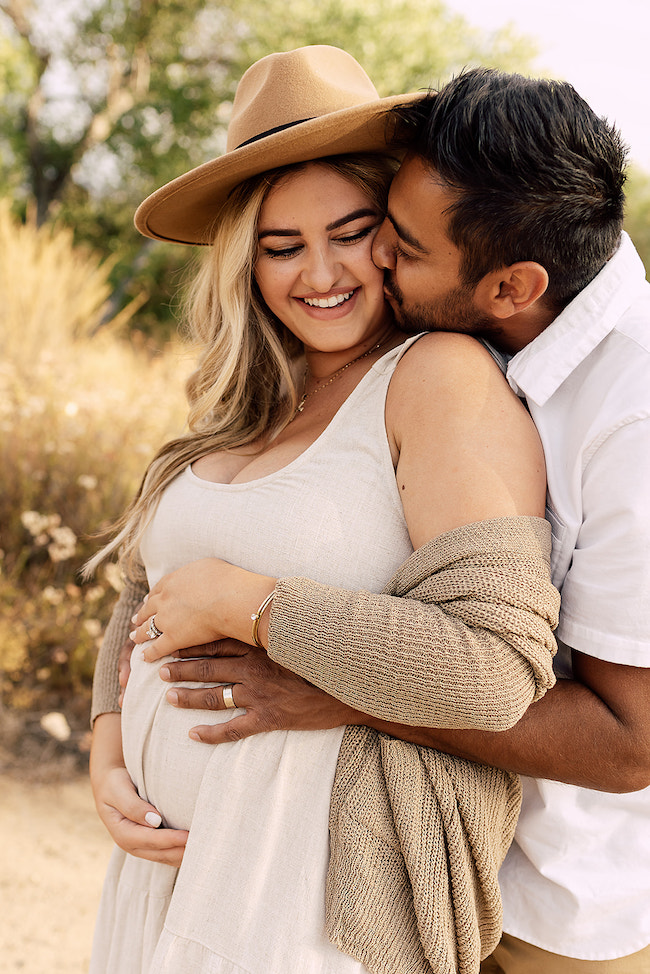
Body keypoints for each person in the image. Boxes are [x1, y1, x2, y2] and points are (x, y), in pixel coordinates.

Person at [97, 67, 650, 972]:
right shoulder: (256, 398)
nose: (333, 271)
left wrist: (267, 617)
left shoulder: (459, 376)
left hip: (361, 894)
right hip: (169, 884)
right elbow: (151, 584)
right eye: (279, 246)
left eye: (362, 234)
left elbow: (537, 691)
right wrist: (108, 746)